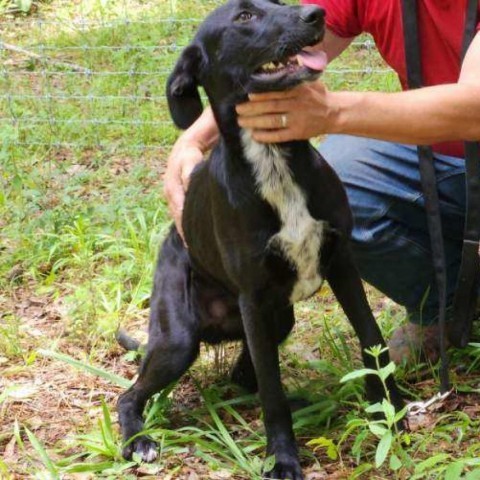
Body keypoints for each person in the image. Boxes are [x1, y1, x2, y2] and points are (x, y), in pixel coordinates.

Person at [164, 0, 480, 364]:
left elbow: (475, 108)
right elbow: (291, 38)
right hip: (442, 160)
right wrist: (193, 139)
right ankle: (452, 301)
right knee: (338, 184)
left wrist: (333, 111)